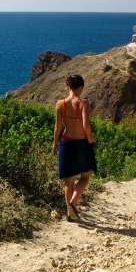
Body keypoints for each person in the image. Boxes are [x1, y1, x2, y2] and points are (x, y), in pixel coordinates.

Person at [52, 74, 97, 221]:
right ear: (81, 87)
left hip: (66, 143)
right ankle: (73, 202)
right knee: (85, 176)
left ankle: (70, 212)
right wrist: (90, 138)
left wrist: (55, 144)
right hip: (81, 143)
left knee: (69, 180)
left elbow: (57, 127)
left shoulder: (60, 104)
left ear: (68, 86)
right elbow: (85, 125)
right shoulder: (83, 103)